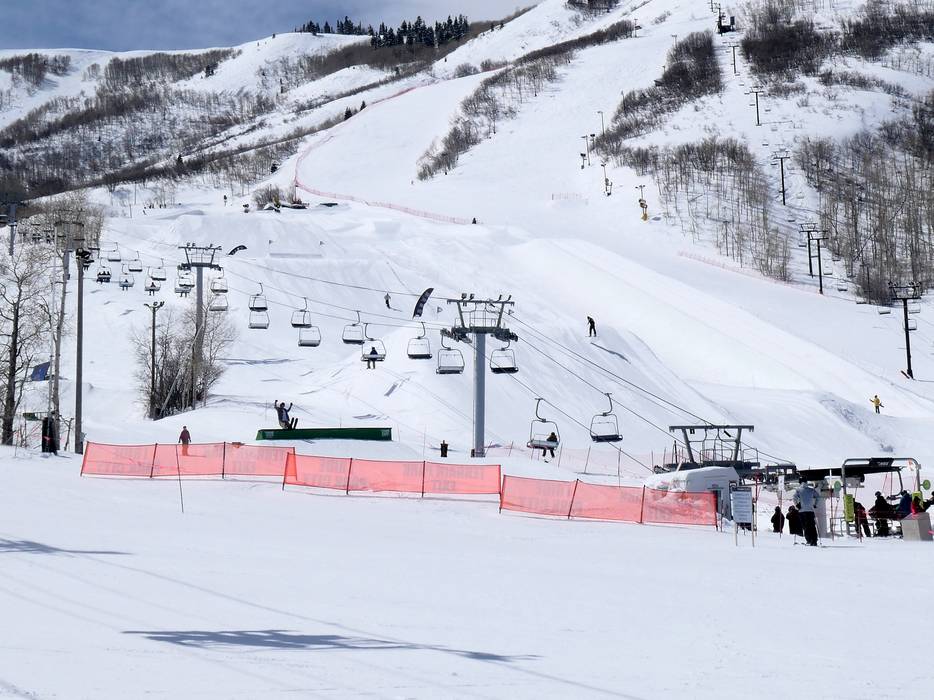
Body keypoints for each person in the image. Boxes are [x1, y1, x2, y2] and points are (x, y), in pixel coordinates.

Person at [794, 481, 820, 546]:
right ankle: (814, 540)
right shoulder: (811, 490)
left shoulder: (798, 490)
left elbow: (794, 498)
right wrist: (815, 504)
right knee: (812, 525)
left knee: (805, 526)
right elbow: (818, 497)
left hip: (802, 511)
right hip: (810, 511)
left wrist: (796, 505)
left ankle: (809, 540)